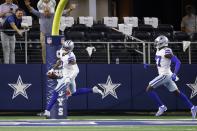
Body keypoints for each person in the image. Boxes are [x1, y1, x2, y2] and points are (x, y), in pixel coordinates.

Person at [42, 40, 103, 117]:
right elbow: (60, 61)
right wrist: (52, 69)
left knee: (55, 92)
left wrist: (69, 78)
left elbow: (76, 70)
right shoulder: (61, 50)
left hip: (69, 76)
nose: (65, 49)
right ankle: (93, 90)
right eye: (64, 47)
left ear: (71, 49)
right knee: (73, 92)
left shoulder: (71, 57)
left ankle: (47, 111)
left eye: (67, 48)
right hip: (67, 75)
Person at [144, 35, 197, 119]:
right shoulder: (159, 50)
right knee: (177, 93)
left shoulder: (166, 51)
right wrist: (149, 65)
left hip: (165, 75)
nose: (156, 44)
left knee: (149, 89)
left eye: (157, 42)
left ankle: (161, 107)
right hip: (166, 75)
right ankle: (193, 107)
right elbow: (160, 65)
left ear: (162, 43)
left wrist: (175, 74)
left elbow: (178, 62)